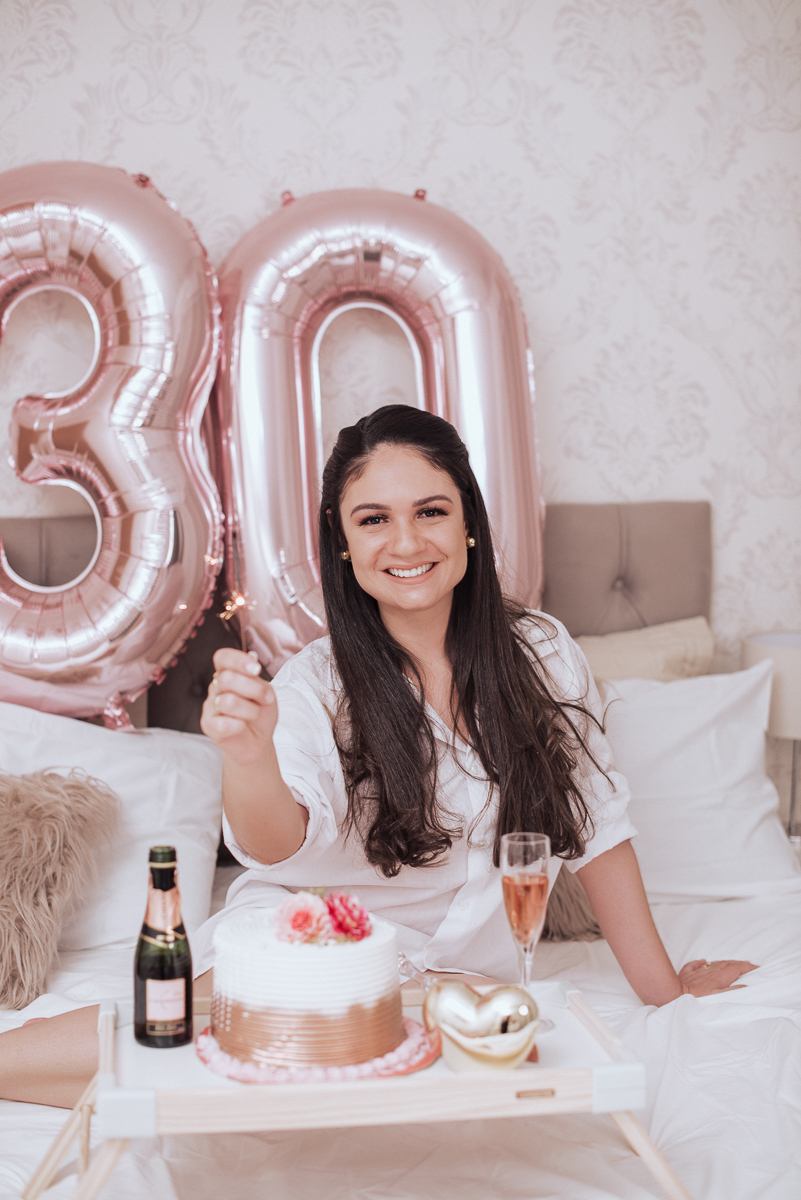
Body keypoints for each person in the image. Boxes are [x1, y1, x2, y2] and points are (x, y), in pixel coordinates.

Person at [0, 406, 755, 1109]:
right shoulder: (312, 684)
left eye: (430, 511)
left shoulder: (545, 654)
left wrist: (663, 992)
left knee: (463, 1061)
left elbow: (597, 827)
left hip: (455, 983)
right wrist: (248, 755)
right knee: (193, 1036)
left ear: (468, 526)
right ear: (343, 541)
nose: (405, 542)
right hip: (312, 957)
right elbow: (274, 843)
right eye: (373, 520)